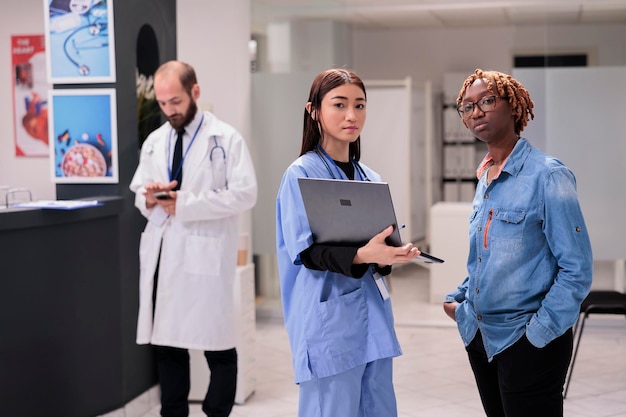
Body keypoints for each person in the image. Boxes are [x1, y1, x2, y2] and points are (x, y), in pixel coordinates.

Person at [443, 69, 593, 417]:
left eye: (487, 101)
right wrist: (460, 301)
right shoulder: (485, 176)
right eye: (467, 107)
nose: (476, 112)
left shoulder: (548, 175)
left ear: (513, 107)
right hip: (481, 336)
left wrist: (537, 337)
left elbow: (577, 269)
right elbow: (487, 257)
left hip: (527, 342)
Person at [275, 68, 420, 417]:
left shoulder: (370, 177)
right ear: (314, 111)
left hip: (374, 320)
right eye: (339, 105)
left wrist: (390, 255)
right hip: (330, 323)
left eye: (360, 105)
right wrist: (362, 254)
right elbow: (307, 252)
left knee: (379, 408)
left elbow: (378, 247)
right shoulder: (301, 174)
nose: (352, 116)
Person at [129, 60, 257, 417]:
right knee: (168, 346)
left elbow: (246, 194)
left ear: (195, 92)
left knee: (218, 346)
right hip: (166, 256)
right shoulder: (155, 141)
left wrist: (185, 204)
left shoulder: (226, 138)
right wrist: (151, 197)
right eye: (163, 103)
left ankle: (217, 413)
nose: (169, 110)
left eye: (176, 102)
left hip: (205, 255)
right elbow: (141, 194)